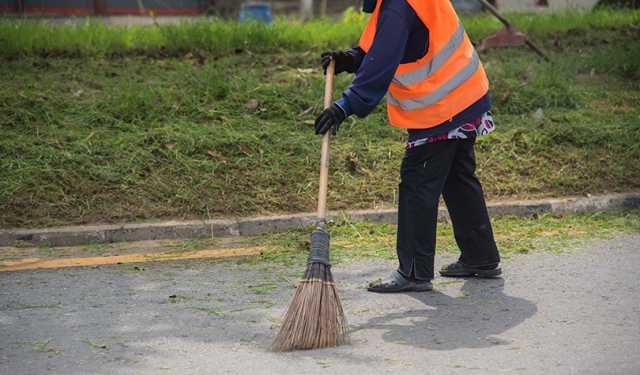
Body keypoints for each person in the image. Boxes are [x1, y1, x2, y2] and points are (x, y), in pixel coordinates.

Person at [314, 0, 502, 293]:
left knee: (417, 182)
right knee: (458, 179)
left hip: (442, 106)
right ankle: (481, 258)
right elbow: (394, 45)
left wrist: (344, 106)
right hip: (465, 96)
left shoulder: (397, 5)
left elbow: (385, 57)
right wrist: (352, 59)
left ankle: (414, 271)